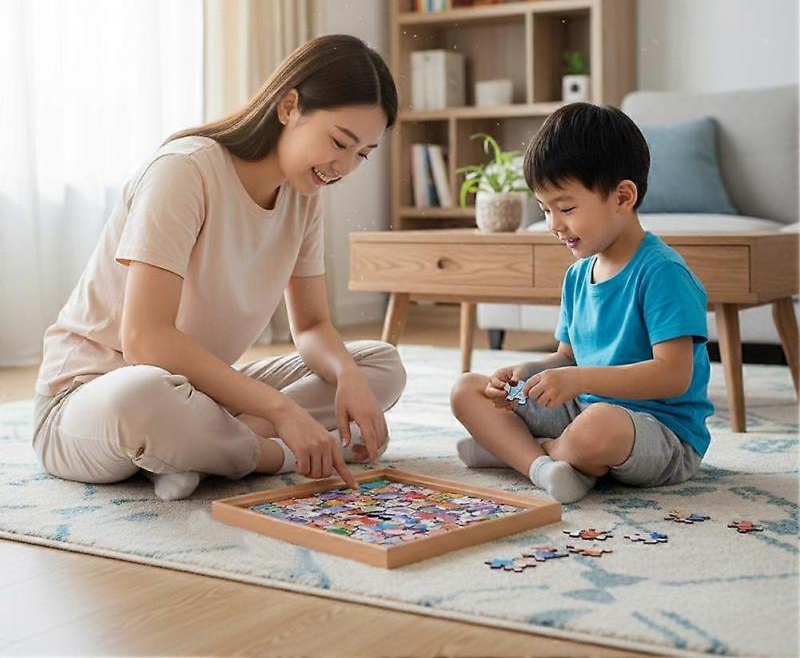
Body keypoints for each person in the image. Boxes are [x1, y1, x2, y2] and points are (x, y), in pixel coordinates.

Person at [33, 34, 407, 500]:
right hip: (91, 400)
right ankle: (275, 455)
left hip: (199, 397)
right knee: (144, 396)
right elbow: (145, 339)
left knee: (380, 364)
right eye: (339, 142)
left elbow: (311, 325)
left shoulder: (304, 197)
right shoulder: (184, 171)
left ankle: (197, 452)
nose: (345, 167)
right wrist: (283, 413)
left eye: (362, 155)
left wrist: (348, 376)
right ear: (289, 106)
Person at [450, 103, 713, 503]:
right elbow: (567, 358)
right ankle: (547, 467)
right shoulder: (577, 275)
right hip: (585, 407)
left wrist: (580, 380)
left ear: (623, 196)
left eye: (566, 208)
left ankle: (525, 451)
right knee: (469, 390)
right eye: (545, 210)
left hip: (659, 431)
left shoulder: (663, 273)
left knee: (598, 427)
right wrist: (527, 372)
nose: (554, 224)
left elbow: (672, 376)